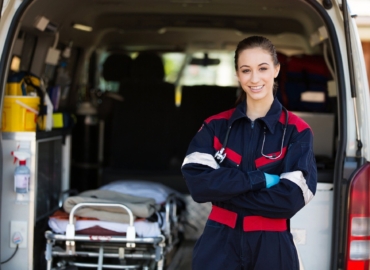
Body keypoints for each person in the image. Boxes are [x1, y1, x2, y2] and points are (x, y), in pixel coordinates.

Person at [181, 36, 317, 270]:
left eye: (262, 68)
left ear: (276, 69)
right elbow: (198, 185)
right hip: (218, 244)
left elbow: (291, 198)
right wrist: (259, 180)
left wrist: (225, 191)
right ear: (237, 74)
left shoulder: (298, 131)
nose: (254, 79)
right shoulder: (214, 126)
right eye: (246, 70)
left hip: (272, 247)